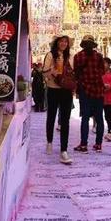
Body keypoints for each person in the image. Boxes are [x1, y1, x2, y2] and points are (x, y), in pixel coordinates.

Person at [43, 35, 73, 164]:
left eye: (65, 42)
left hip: (66, 90)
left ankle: (64, 150)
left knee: (65, 120)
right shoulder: (50, 55)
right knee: (51, 116)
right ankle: (49, 141)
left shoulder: (71, 56)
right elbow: (44, 72)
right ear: (57, 43)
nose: (63, 43)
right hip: (53, 88)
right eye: (61, 41)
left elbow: (74, 72)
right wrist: (52, 72)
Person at [73, 35, 105, 153]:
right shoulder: (99, 56)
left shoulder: (78, 56)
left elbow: (76, 73)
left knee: (85, 118)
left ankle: (83, 144)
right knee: (99, 117)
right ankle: (98, 144)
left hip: (85, 90)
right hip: (98, 90)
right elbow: (102, 71)